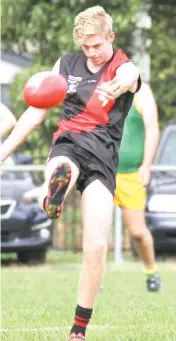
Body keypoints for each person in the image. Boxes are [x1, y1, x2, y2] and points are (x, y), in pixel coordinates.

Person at [0, 6, 141, 340]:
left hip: (104, 157)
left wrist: (117, 87)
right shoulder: (65, 65)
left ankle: (78, 329)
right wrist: (4, 152)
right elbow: (36, 112)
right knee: (63, 165)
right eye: (85, 47)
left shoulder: (123, 65)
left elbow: (130, 77)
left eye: (97, 46)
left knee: (95, 246)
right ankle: (55, 192)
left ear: (111, 37)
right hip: (70, 142)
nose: (91, 53)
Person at [114, 82, 162, 292]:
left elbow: (152, 129)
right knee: (95, 231)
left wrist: (146, 165)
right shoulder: (97, 86)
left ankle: (152, 273)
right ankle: (93, 282)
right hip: (102, 171)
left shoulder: (142, 92)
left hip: (131, 174)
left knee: (137, 232)